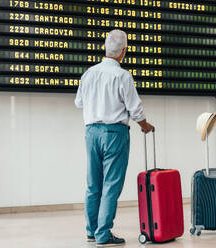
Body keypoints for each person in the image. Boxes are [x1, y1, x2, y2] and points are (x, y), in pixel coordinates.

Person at [75, 29, 154, 247]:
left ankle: (91, 231)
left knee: (93, 184)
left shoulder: (88, 73)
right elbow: (135, 109)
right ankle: (103, 234)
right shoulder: (122, 75)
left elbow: (79, 103)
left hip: (91, 133)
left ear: (105, 48)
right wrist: (145, 126)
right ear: (124, 52)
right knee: (111, 185)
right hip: (114, 133)